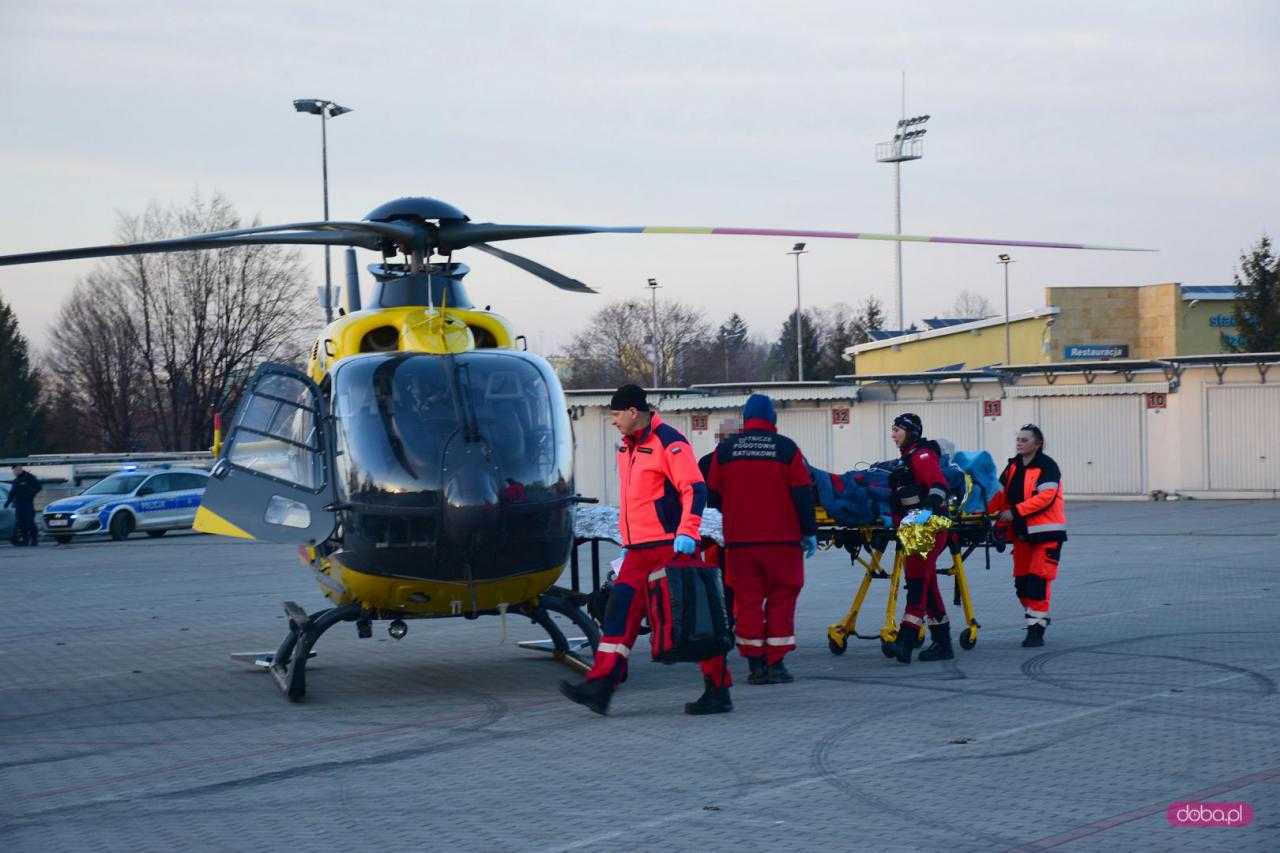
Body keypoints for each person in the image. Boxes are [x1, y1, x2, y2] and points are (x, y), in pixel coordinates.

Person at [559, 384, 731, 715]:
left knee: (691, 620)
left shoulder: (670, 442)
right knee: (618, 614)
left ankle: (718, 690)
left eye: (615, 414)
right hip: (637, 552)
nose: (613, 422)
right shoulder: (626, 448)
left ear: (633, 412)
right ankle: (601, 686)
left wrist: (687, 531)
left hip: (671, 547)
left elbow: (694, 489)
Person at [705, 393, 817, 685]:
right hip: (783, 542)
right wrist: (810, 532)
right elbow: (803, 494)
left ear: (745, 418)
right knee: (782, 598)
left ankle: (755, 665)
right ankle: (776, 664)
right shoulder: (787, 449)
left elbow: (713, 496)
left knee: (748, 601)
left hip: (741, 543)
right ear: (773, 418)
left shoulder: (726, 450)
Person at [987, 424, 1067, 647]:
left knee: (1037, 581)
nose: (1019, 443)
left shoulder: (1047, 466)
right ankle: (1036, 617)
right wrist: (979, 513)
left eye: (1025, 440)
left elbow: (1046, 497)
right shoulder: (1012, 467)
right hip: (1023, 535)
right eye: (1018, 439)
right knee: (1022, 584)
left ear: (1037, 444)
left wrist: (1015, 512)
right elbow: (998, 495)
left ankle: (1036, 629)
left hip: (1046, 534)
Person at [883, 413, 952, 663]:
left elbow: (938, 485)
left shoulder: (921, 455)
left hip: (926, 527)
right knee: (927, 584)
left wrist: (924, 516)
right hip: (916, 527)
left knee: (916, 583)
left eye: (897, 430)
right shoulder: (909, 456)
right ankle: (943, 642)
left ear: (910, 431)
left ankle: (907, 639)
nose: (893, 435)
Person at [5, 464, 42, 547]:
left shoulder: (29, 477)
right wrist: (7, 503)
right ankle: (25, 539)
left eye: (15, 470)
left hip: (27, 503)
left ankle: (34, 539)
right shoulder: (16, 480)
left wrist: (30, 494)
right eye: (13, 471)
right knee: (21, 521)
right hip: (18, 503)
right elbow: (12, 492)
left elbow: (38, 486)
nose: (14, 472)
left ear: (19, 469)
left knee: (29, 520)